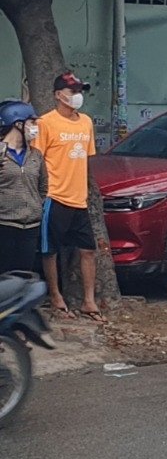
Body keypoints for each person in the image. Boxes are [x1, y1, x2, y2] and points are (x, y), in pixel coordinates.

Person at [34, 71, 100, 321]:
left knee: (88, 250)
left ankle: (89, 300)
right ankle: (55, 296)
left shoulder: (86, 122)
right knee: (50, 250)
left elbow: (87, 159)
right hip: (55, 196)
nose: (77, 96)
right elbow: (36, 160)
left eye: (79, 91)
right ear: (58, 95)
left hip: (79, 198)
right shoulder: (45, 123)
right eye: (72, 91)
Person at [0, 101, 46, 275]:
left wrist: (36, 206)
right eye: (31, 123)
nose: (35, 128)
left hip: (30, 227)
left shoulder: (35, 155)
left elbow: (43, 186)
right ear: (18, 125)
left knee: (24, 276)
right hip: (4, 225)